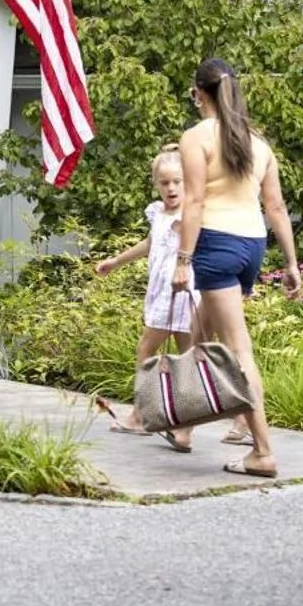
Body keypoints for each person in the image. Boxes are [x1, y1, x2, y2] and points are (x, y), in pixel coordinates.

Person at [174, 57, 303, 478]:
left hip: (216, 242)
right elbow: (277, 207)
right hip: (251, 245)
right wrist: (291, 262)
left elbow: (193, 202)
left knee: (238, 349)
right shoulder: (258, 143)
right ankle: (183, 427)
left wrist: (182, 260)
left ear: (199, 93)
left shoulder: (196, 138)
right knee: (199, 335)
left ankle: (262, 451)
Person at [94, 144, 200, 449]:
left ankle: (142, 414)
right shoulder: (158, 212)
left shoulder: (190, 213)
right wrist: (116, 261)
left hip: (179, 289)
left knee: (149, 348)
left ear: (187, 181)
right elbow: (150, 244)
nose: (171, 188)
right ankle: (182, 429)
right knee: (184, 356)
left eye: (177, 181)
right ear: (156, 184)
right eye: (165, 182)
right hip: (162, 291)